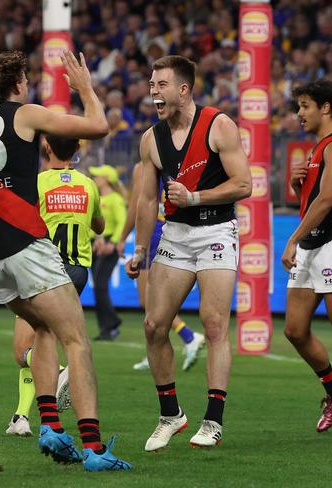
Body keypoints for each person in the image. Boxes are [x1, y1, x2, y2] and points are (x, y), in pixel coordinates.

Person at [0, 49, 131, 471]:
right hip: (25, 243)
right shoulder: (25, 114)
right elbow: (98, 126)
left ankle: (50, 427)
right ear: (16, 83)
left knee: (42, 328)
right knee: (78, 340)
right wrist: (84, 87)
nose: (28, 85)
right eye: (25, 79)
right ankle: (93, 450)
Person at [125, 55, 251, 450]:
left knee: (214, 324)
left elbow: (244, 184)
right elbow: (146, 201)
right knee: (153, 325)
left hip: (216, 229)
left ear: (183, 88)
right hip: (176, 235)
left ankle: (213, 421)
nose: (153, 92)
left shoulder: (218, 125)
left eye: (160, 85)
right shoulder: (151, 139)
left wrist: (194, 196)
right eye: (151, 84)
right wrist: (141, 248)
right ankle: (171, 415)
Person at [5, 134, 105, 437]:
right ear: (77, 149)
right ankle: (21, 417)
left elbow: (19, 221)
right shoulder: (88, 185)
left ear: (46, 147)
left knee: (25, 351)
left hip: (45, 270)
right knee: (50, 338)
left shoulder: (36, 184)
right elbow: (98, 226)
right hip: (77, 272)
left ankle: (61, 374)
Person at [118, 161, 205, 371]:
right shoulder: (178, 163)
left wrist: (123, 236)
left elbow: (137, 206)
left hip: (153, 233)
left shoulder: (143, 168)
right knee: (155, 298)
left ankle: (188, 336)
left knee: (147, 299)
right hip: (173, 230)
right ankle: (156, 348)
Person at [281, 79, 332, 433]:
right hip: (312, 245)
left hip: (330, 243)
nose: (299, 113)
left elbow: (328, 200)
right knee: (295, 330)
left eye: (304, 106)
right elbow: (315, 198)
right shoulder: (315, 150)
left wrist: (291, 241)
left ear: (325, 107)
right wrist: (299, 185)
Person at [87, 165, 126, 341]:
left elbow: (122, 222)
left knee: (100, 285)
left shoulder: (115, 199)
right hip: (96, 243)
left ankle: (111, 323)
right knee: (98, 286)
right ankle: (107, 327)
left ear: (105, 179)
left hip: (108, 244)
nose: (95, 178)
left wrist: (113, 242)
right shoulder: (98, 197)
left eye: (98, 176)